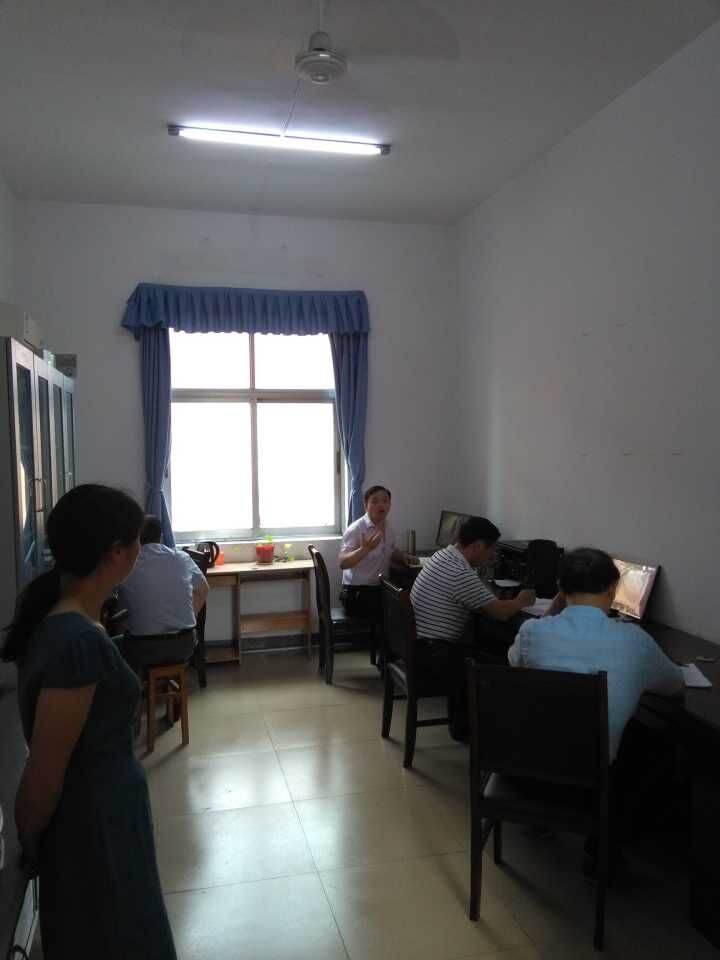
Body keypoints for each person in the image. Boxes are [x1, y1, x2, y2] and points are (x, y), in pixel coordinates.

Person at [2, 484, 177, 959]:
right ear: (116, 553)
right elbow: (43, 776)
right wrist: (31, 843)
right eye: (136, 542)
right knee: (117, 936)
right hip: (94, 828)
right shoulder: (77, 643)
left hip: (107, 815)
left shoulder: (72, 621)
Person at [508, 547, 683, 876]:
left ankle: (543, 820)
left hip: (522, 775)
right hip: (590, 784)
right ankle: (605, 851)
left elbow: (514, 662)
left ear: (560, 588)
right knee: (654, 744)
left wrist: (552, 615)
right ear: (613, 589)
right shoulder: (634, 641)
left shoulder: (532, 632)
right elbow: (674, 685)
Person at [411, 515, 535, 642]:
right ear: (478, 546)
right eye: (492, 549)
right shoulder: (461, 573)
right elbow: (501, 612)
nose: (493, 556)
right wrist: (521, 600)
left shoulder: (441, 555)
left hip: (418, 640)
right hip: (435, 648)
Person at [118, 514, 209, 669]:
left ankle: (134, 683)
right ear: (160, 536)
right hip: (184, 645)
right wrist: (188, 616)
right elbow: (204, 588)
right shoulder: (181, 558)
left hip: (144, 649)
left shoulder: (129, 563)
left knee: (111, 644)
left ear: (136, 538)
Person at [339, 485, 416, 623]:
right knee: (400, 610)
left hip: (377, 589)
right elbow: (343, 563)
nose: (381, 505)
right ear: (365, 505)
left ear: (390, 505)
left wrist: (403, 556)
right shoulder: (356, 529)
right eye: (374, 501)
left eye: (385, 501)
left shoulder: (388, 526)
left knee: (407, 602)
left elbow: (392, 550)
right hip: (357, 593)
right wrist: (364, 549)